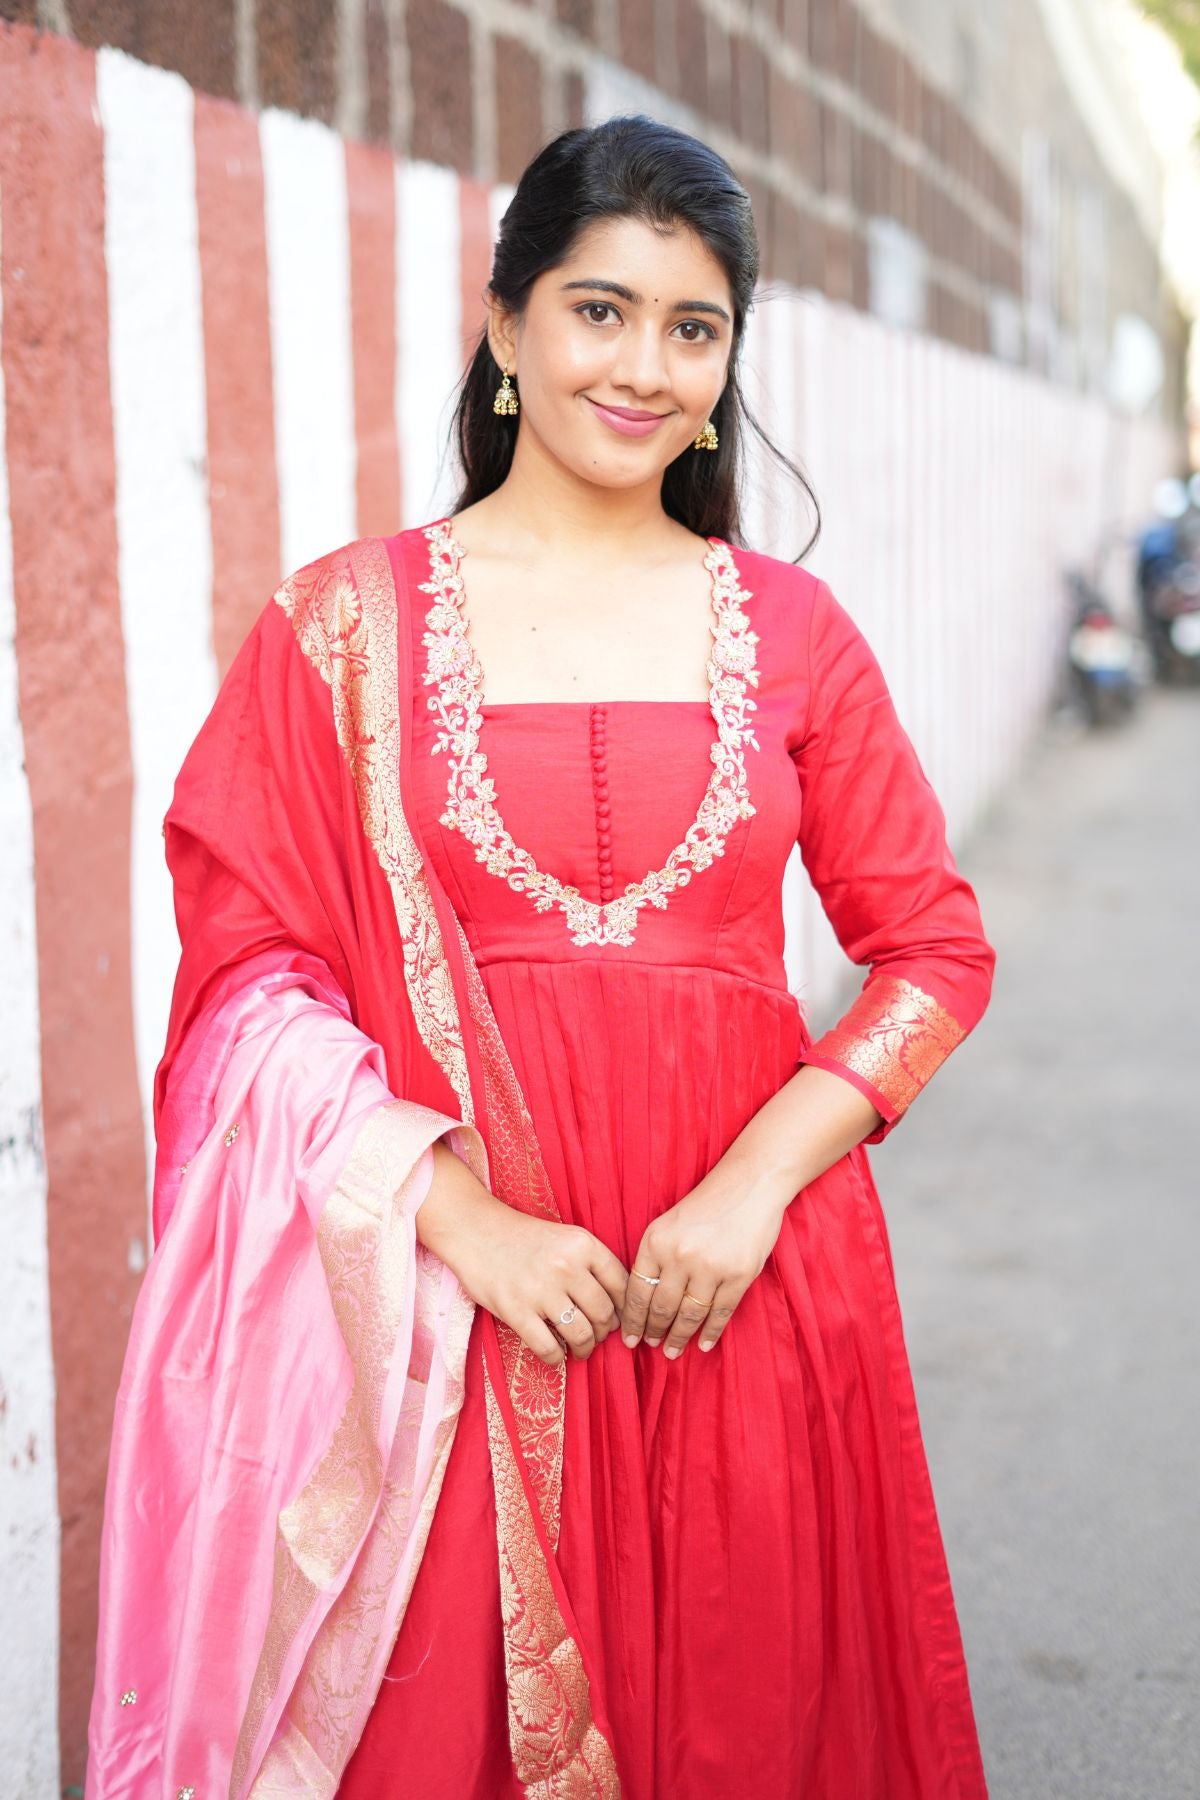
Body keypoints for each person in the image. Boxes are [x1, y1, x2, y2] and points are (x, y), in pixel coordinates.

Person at [86, 115, 996, 1799]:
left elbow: (932, 952)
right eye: (600, 309)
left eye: (693, 326)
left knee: (745, 1719)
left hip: (743, 1292)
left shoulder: (794, 635)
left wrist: (749, 1194)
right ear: (505, 328)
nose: (644, 366)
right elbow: (245, 984)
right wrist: (466, 1226)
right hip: (455, 1319)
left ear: (727, 363)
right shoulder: (341, 628)